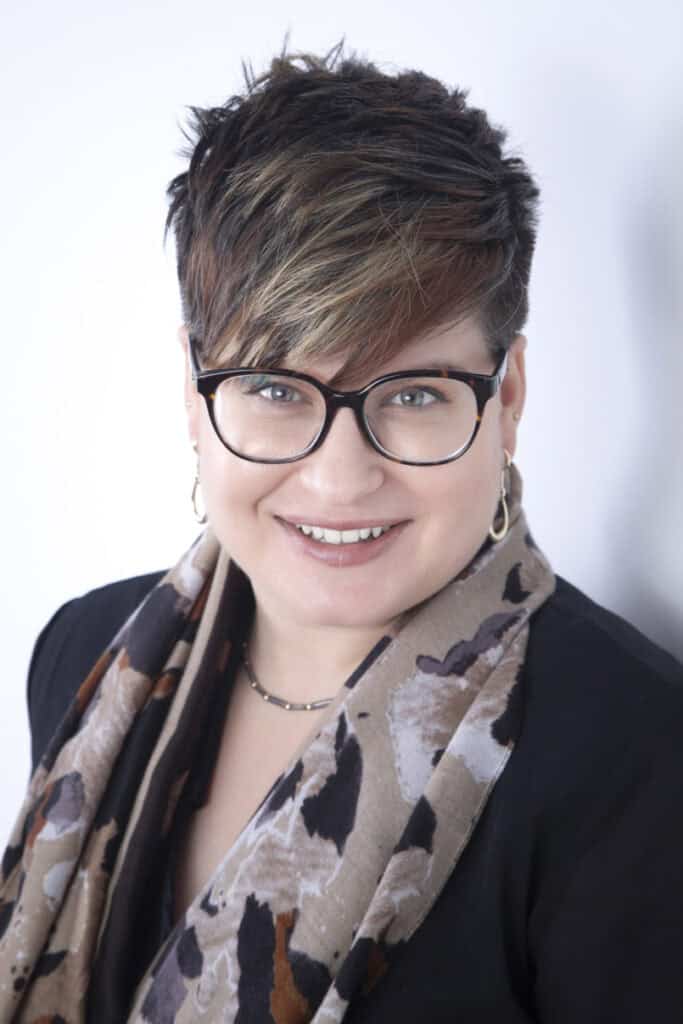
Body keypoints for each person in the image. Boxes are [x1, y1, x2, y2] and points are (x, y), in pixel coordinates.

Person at [1, 43, 682, 1024]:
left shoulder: (633, 762)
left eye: (411, 392)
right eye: (275, 388)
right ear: (195, 397)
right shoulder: (80, 654)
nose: (337, 475)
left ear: (507, 397)